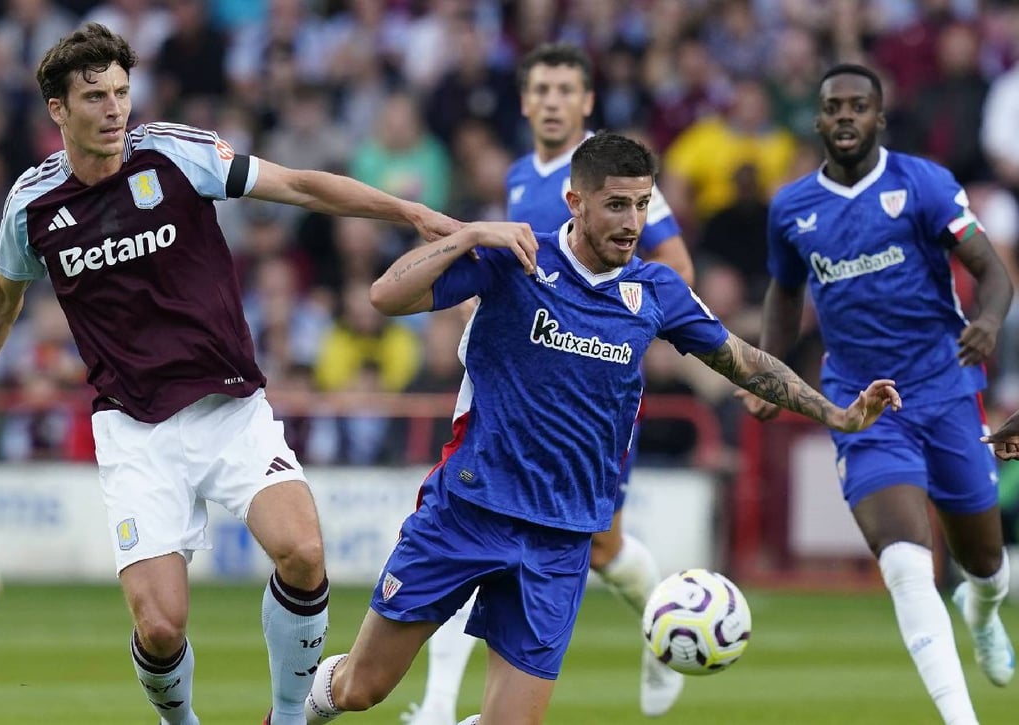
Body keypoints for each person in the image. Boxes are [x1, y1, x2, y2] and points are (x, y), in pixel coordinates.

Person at [0, 23, 459, 725]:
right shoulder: (33, 204)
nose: (114, 109)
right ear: (58, 109)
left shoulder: (175, 153)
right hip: (135, 428)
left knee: (302, 550)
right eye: (94, 96)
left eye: (120, 92)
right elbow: (1, 298)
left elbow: (296, 184)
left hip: (228, 406)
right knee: (162, 626)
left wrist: (403, 209)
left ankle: (290, 715)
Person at [304, 132, 901, 725]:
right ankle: (297, 709)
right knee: (363, 688)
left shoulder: (656, 290)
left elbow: (744, 360)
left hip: (563, 539)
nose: (632, 221)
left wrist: (838, 414)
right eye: (617, 204)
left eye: (642, 205)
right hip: (469, 509)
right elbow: (385, 296)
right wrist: (472, 234)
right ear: (576, 202)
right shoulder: (518, 259)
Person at [406, 43, 694, 725]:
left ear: (587, 101)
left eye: (569, 88)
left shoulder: (613, 173)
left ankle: (666, 629)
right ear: (527, 101)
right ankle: (441, 703)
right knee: (474, 521)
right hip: (518, 385)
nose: (557, 100)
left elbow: (674, 264)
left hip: (592, 391)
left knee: (602, 546)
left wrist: (620, 328)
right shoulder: (519, 175)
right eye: (544, 88)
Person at [743, 64, 1015, 725]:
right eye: (833, 106)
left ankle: (983, 611)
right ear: (817, 119)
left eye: (857, 106)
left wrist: (984, 322)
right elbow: (785, 291)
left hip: (946, 387)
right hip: (863, 401)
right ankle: (961, 717)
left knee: (983, 560)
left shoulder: (922, 185)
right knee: (903, 560)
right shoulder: (792, 208)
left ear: (878, 117)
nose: (844, 116)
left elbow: (993, 271)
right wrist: (770, 373)